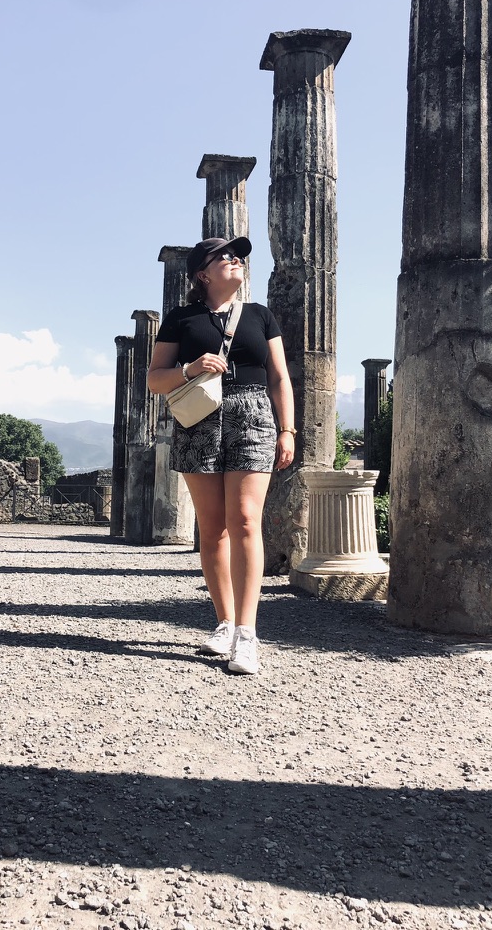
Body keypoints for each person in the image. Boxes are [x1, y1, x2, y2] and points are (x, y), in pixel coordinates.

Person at [147, 236, 295, 675]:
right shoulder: (181, 319)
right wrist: (191, 369)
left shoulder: (260, 316)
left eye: (238, 256)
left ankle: (247, 635)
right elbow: (155, 380)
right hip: (199, 419)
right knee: (212, 530)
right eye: (224, 256)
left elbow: (280, 378)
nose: (235, 260)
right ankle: (225, 622)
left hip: (253, 416)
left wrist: (287, 430)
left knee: (246, 520)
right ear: (202, 273)